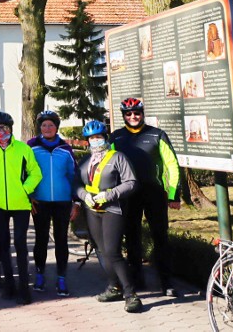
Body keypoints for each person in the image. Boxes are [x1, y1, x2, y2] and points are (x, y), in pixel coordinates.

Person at [109, 97, 181, 296]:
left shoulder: (157, 135)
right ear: (124, 115)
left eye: (137, 113)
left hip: (154, 193)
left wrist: (174, 194)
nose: (133, 116)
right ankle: (137, 278)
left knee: (161, 238)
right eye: (129, 114)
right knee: (132, 238)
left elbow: (172, 165)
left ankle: (166, 282)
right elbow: (108, 167)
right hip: (128, 195)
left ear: (143, 113)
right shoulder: (116, 138)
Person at [75, 120, 141, 313]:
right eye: (92, 138)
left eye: (99, 137)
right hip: (92, 211)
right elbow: (76, 184)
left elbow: (131, 182)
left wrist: (109, 195)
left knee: (113, 252)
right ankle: (114, 287)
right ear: (87, 141)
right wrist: (83, 196)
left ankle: (131, 295)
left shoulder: (117, 157)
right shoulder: (85, 162)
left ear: (105, 137)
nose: (96, 141)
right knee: (102, 252)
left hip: (113, 209)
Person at [0, 111, 42, 305]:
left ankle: (24, 286)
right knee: (3, 244)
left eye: (5, 127)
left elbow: (35, 173)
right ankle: (9, 284)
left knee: (20, 244)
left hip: (20, 204)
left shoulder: (23, 148)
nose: (1, 131)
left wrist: (25, 189)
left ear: (10, 129)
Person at [27, 110, 77, 296]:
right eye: (44, 125)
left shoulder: (65, 148)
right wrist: (29, 196)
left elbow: (73, 175)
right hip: (40, 202)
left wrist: (76, 202)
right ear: (40, 127)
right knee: (40, 240)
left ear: (56, 127)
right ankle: (39, 274)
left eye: (51, 125)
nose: (47, 128)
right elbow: (25, 173)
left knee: (61, 240)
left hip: (63, 201)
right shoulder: (31, 146)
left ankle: (61, 277)